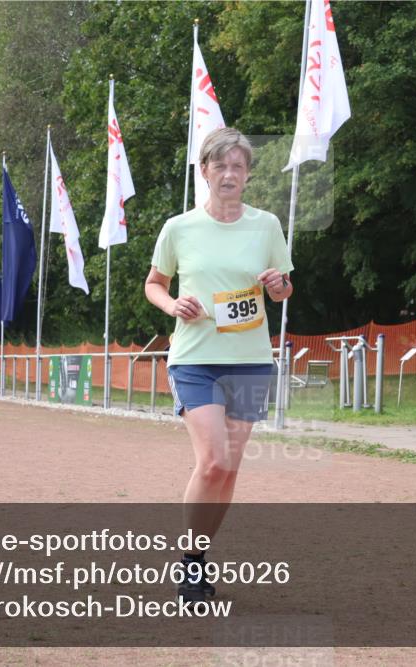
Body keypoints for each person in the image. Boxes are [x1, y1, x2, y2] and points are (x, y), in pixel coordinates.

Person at [145, 127, 294, 603]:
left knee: (228, 469)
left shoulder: (267, 224)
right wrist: (172, 306)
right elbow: (154, 283)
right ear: (204, 171)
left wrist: (277, 286)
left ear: (248, 175)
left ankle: (198, 557)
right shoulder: (179, 228)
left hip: (250, 362)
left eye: (238, 166)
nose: (229, 174)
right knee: (213, 460)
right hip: (195, 359)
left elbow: (284, 288)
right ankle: (189, 561)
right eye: (220, 165)